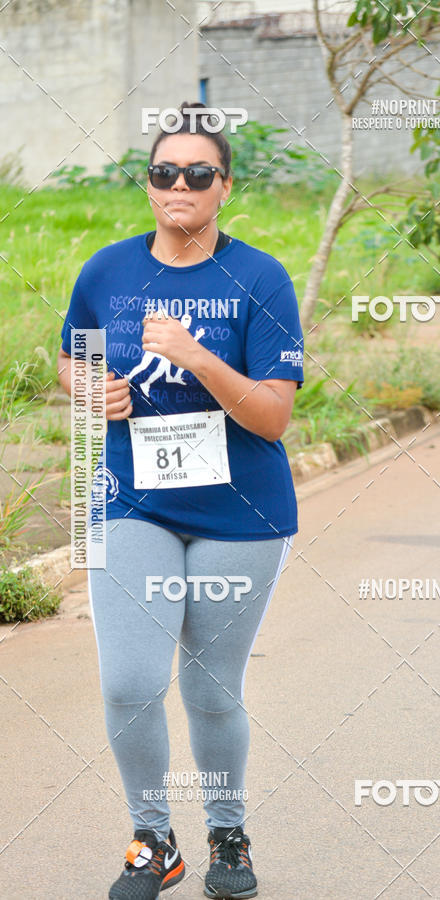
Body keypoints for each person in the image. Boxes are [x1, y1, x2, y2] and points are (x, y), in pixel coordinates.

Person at [57, 102, 304, 900]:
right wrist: (89, 388)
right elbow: (72, 357)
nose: (180, 186)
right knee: (130, 679)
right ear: (149, 184)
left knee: (207, 687)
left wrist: (198, 356)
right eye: (165, 172)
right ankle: (152, 838)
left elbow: (270, 415)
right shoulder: (108, 271)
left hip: (241, 510)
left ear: (224, 187)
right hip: (134, 500)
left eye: (199, 173)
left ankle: (227, 835)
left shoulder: (259, 279)